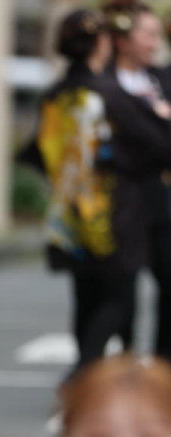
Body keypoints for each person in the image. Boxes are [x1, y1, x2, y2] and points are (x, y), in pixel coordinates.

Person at [30, 9, 171, 373]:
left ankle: (90, 374)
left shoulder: (57, 93)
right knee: (118, 298)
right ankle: (84, 371)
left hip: (69, 207)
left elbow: (37, 150)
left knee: (86, 295)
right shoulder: (106, 92)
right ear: (102, 44)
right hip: (112, 209)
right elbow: (156, 143)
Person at [105, 2, 171, 360]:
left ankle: (164, 366)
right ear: (121, 39)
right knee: (120, 290)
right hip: (119, 201)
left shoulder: (163, 79)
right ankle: (123, 364)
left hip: (160, 198)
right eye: (147, 34)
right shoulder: (103, 83)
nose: (153, 42)